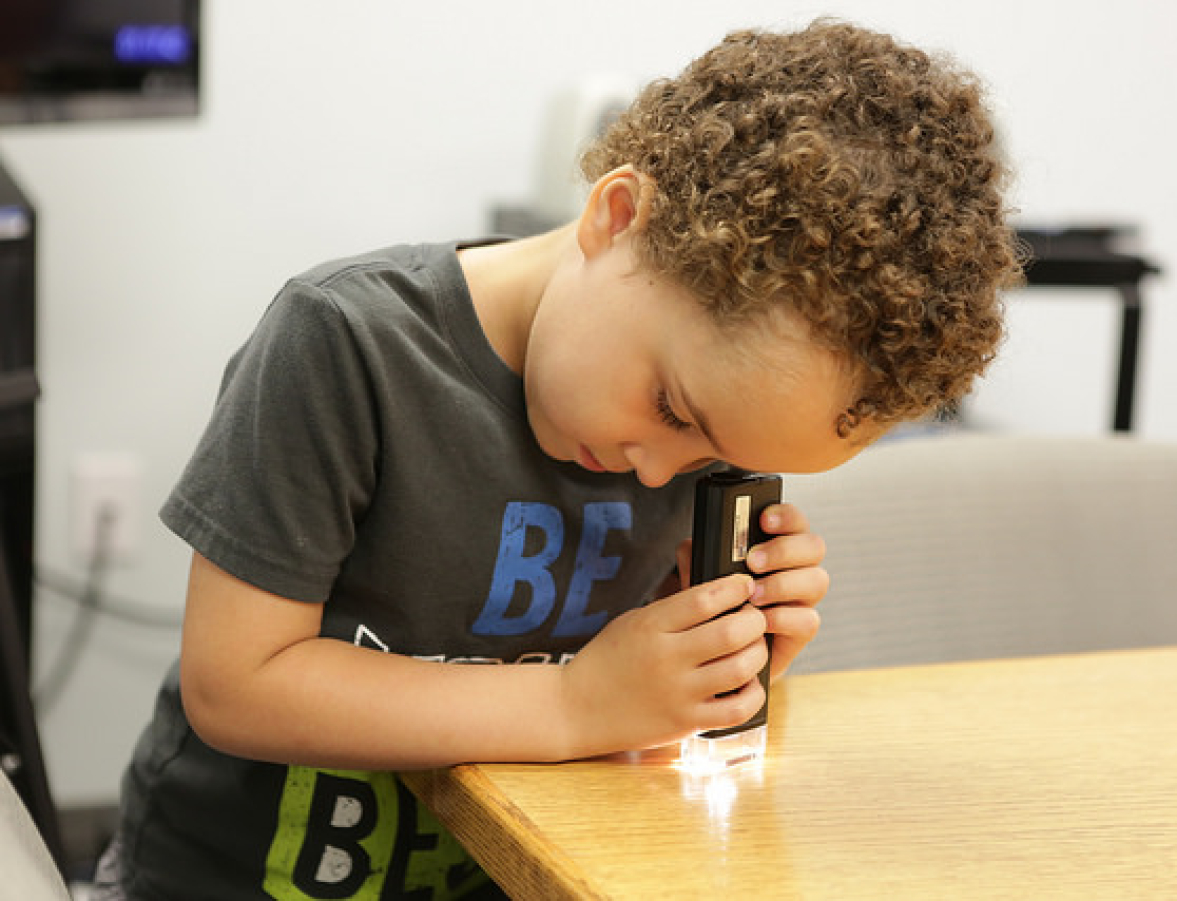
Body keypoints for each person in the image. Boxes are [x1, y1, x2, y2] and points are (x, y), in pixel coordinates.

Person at [92, 17, 1021, 900]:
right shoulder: (346, 344)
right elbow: (236, 684)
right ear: (617, 217)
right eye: (671, 409)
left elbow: (631, 721)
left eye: (717, 456)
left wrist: (719, 653)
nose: (657, 471)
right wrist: (578, 702)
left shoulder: (680, 435)